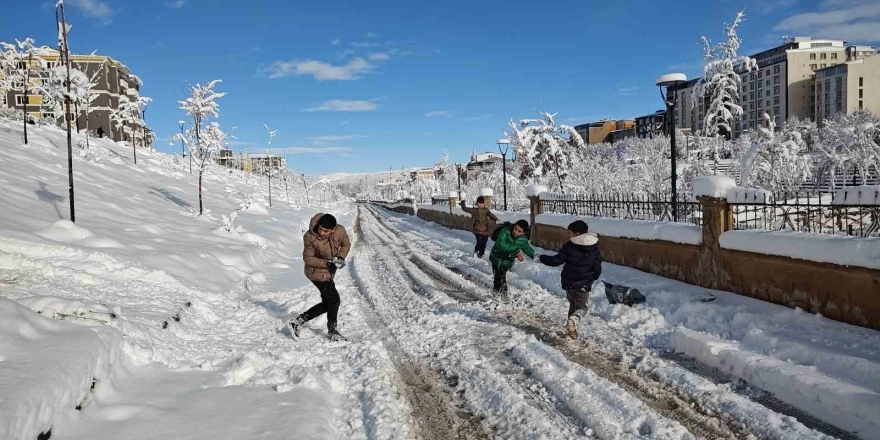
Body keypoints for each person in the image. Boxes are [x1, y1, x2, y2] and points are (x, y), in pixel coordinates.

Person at [290, 213, 351, 341]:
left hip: (328, 272)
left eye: (326, 231)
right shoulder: (310, 237)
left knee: (328, 303)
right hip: (315, 272)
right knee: (334, 300)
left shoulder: (340, 231)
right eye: (320, 229)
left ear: (333, 230)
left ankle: (297, 321)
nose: (322, 233)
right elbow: (308, 258)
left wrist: (340, 257)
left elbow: (346, 244)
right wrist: (328, 262)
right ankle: (332, 331)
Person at [537, 220, 602, 340]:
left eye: (570, 232)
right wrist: (593, 277)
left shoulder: (569, 246)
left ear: (577, 233)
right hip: (583, 284)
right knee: (582, 308)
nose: (569, 235)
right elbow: (597, 268)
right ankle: (573, 322)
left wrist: (541, 258)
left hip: (569, 283)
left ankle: (570, 332)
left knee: (573, 306)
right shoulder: (594, 248)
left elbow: (556, 261)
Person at [488, 219, 535, 299]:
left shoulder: (523, 239)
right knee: (497, 277)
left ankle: (503, 297)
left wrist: (539, 257)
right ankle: (496, 294)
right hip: (496, 257)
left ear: (523, 233)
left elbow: (528, 249)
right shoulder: (505, 231)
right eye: (515, 228)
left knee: (501, 277)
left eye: (519, 231)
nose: (516, 232)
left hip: (507, 261)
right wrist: (516, 252)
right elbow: (501, 245)